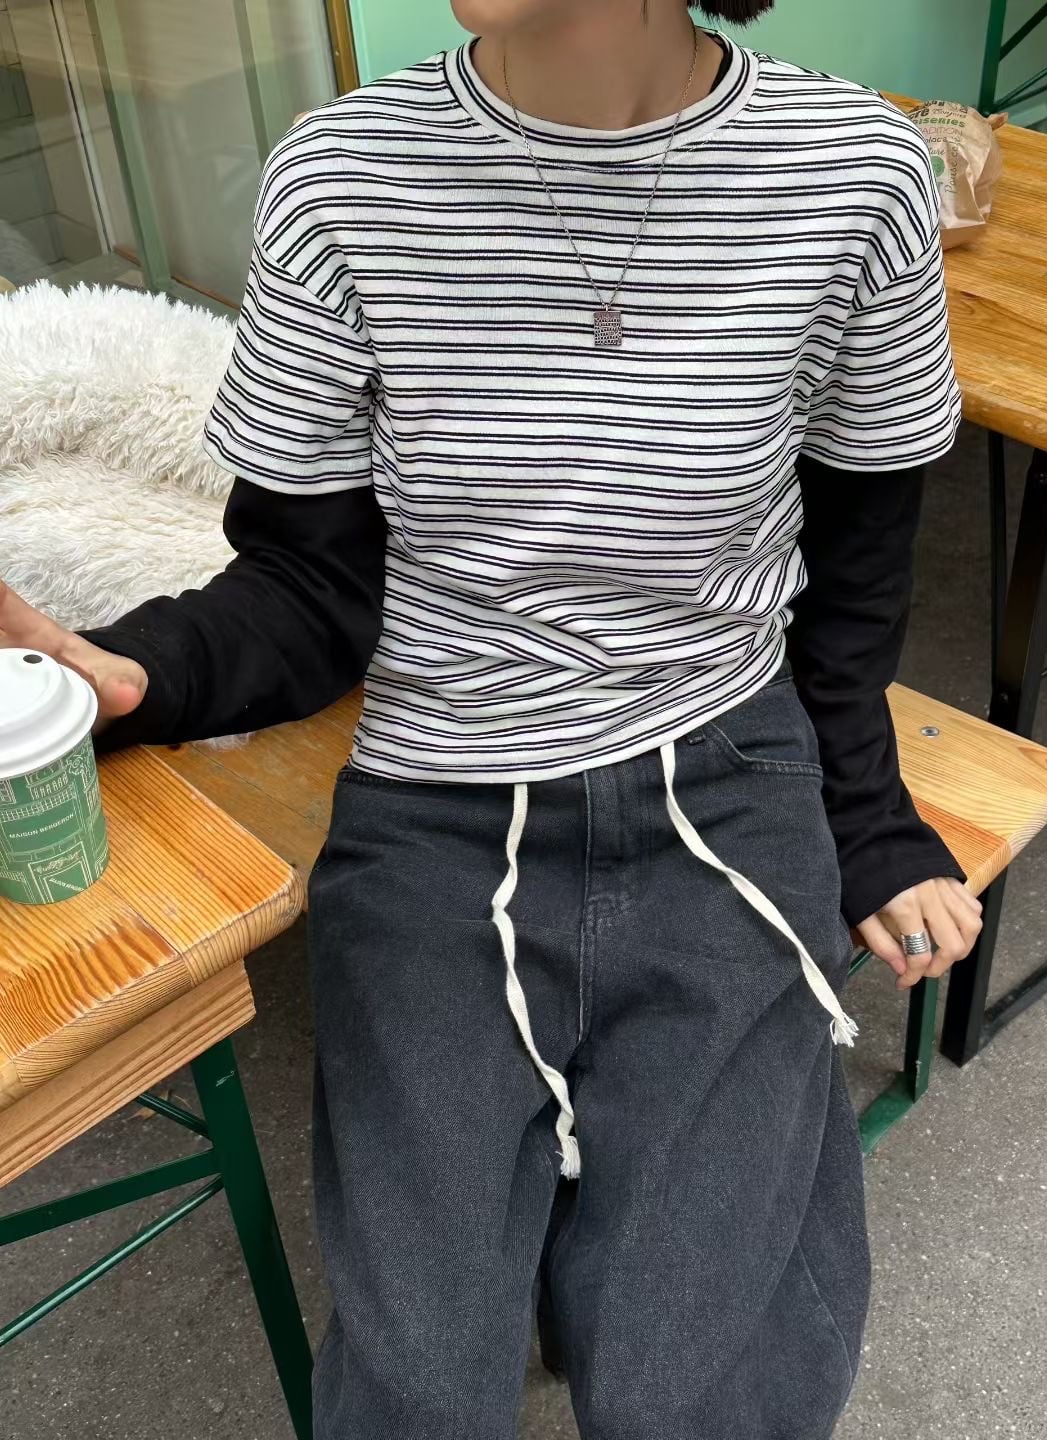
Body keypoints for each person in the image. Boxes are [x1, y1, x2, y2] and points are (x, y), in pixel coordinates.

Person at [0, 0, 985, 1434]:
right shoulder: (339, 176)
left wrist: (872, 821)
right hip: (437, 802)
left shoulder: (853, 172)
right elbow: (307, 584)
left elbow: (858, 568)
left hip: (724, 767)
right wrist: (141, 673)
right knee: (416, 1383)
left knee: (705, 1381)